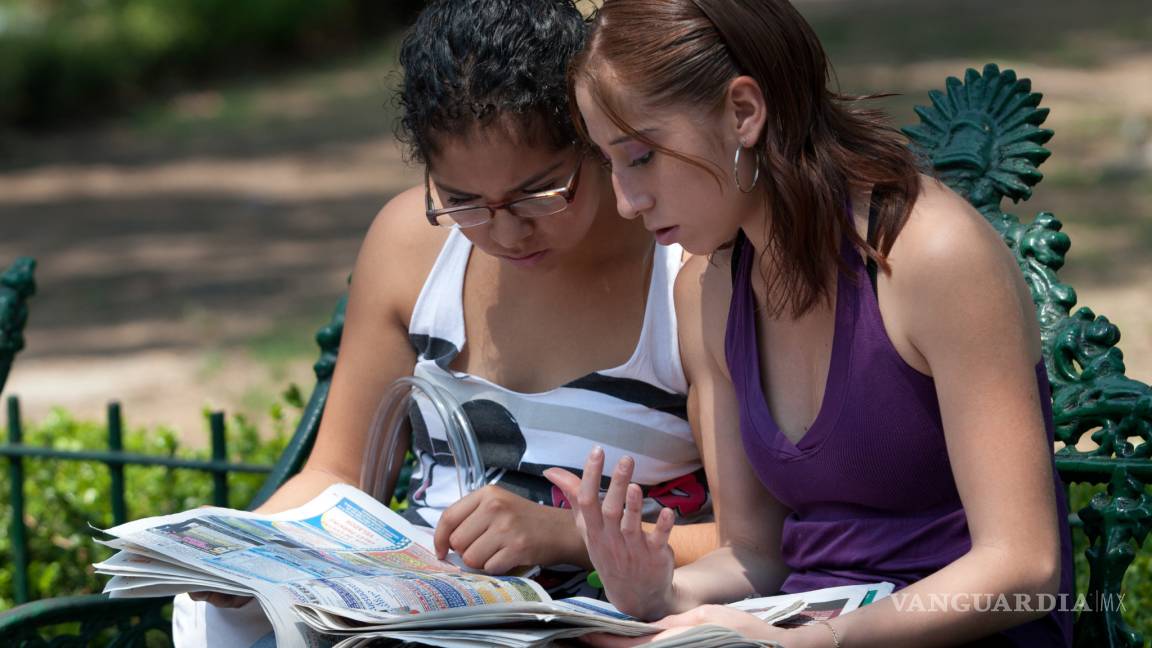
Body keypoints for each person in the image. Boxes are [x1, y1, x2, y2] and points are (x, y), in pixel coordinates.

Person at [172, 1, 716, 645]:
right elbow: (339, 476)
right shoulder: (410, 245)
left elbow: (755, 542)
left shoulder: (686, 275)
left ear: (593, 139)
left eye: (538, 192)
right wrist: (242, 551)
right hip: (418, 614)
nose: (507, 232)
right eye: (461, 202)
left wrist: (566, 536)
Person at [545, 1, 1074, 646]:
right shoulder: (709, 290)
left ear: (743, 112)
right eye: (610, 164)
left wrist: (819, 640)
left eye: (641, 157)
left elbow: (1025, 569)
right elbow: (755, 555)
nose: (628, 203)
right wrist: (660, 591)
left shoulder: (930, 255)